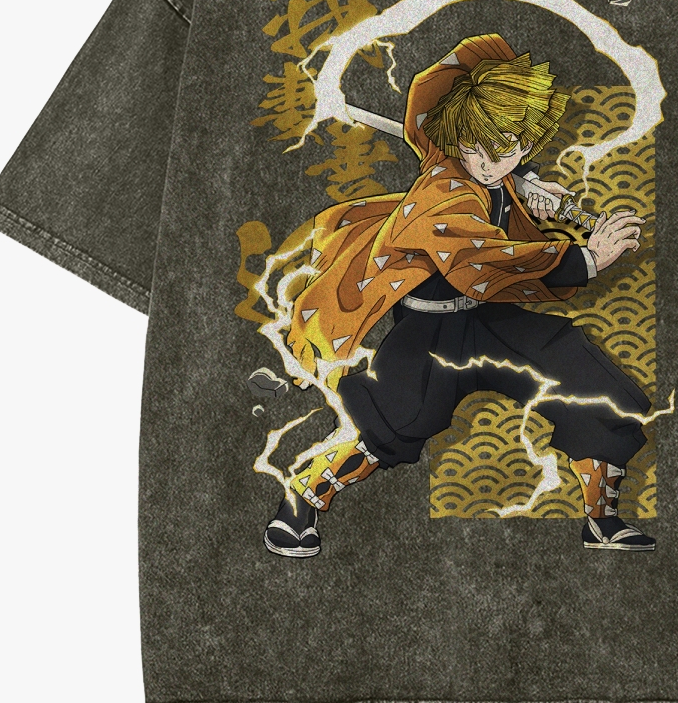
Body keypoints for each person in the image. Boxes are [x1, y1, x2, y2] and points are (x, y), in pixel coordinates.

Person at [264, 33, 657, 557]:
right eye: (476, 147)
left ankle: (602, 520)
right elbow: (482, 259)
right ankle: (301, 501)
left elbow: (496, 174)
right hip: (429, 332)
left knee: (585, 376)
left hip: (488, 319)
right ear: (455, 136)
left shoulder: (498, 174)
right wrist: (586, 259)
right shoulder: (440, 193)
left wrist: (524, 185)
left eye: (507, 148)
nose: (490, 163)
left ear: (527, 141)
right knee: (395, 421)